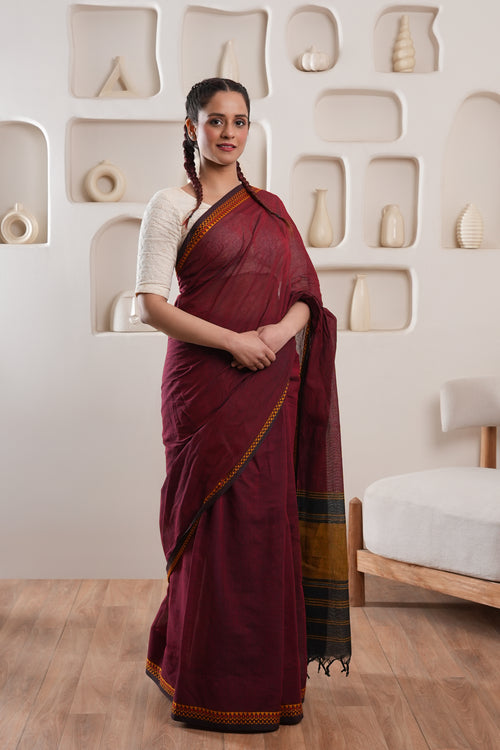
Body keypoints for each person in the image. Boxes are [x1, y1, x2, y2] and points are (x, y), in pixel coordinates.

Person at [135, 77, 351, 733]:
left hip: (268, 382)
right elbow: (150, 305)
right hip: (202, 385)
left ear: (249, 129)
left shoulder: (272, 209)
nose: (228, 132)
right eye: (214, 120)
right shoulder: (172, 205)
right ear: (192, 127)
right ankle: (201, 679)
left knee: (262, 523)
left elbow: (306, 295)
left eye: (239, 121)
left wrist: (276, 336)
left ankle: (266, 684)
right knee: (209, 527)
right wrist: (234, 341)